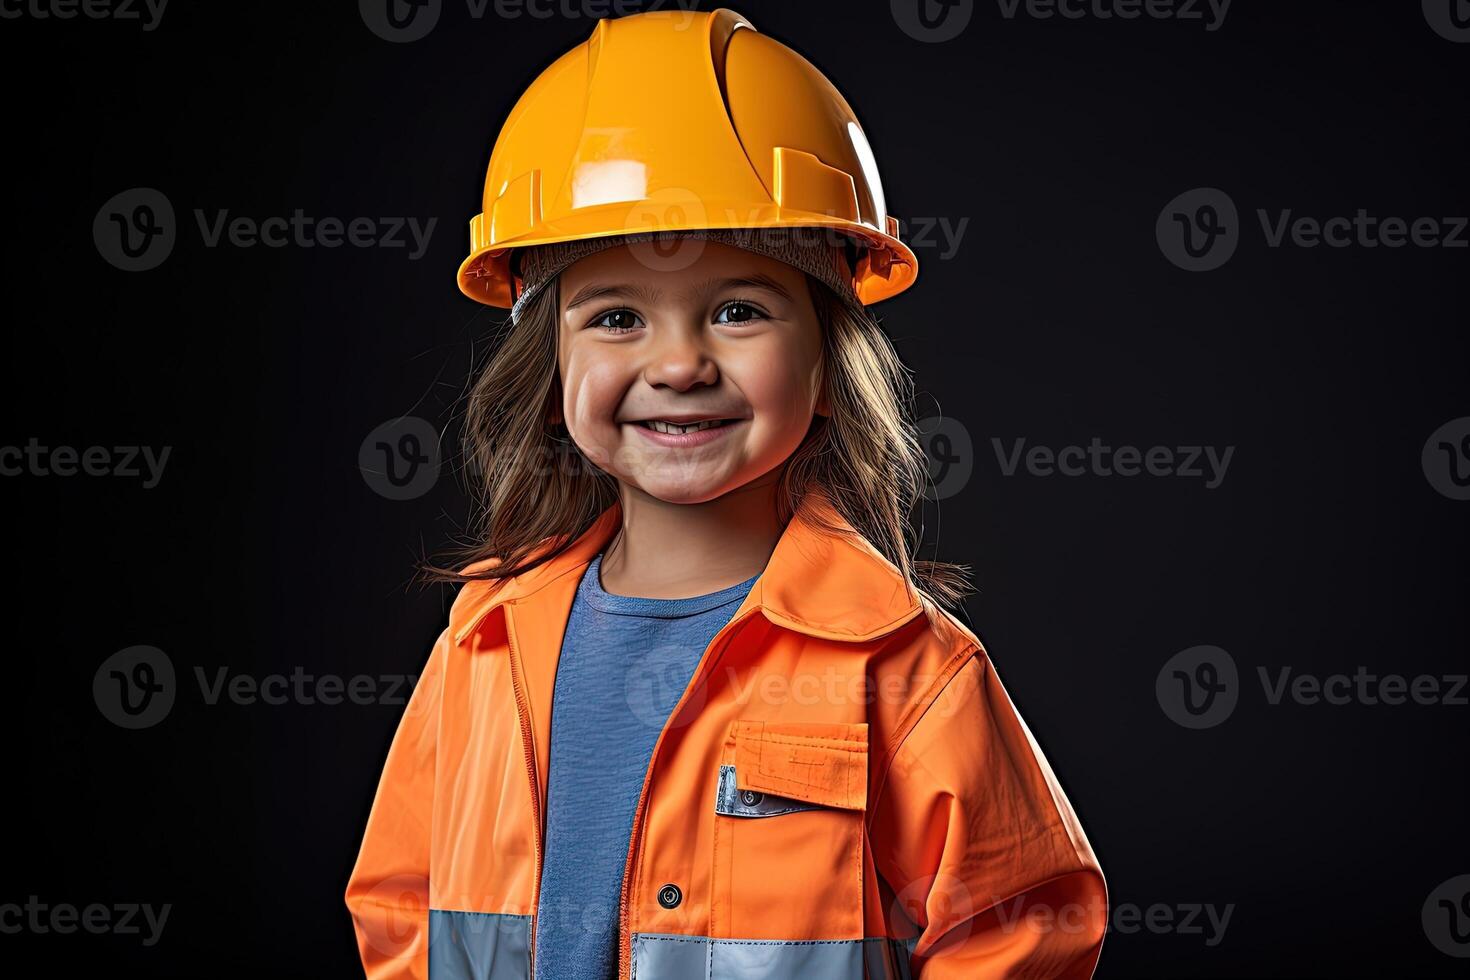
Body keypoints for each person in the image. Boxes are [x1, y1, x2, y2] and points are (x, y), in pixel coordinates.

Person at [345, 8, 1106, 979]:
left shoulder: (907, 667)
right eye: (616, 315)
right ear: (549, 371)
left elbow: (1023, 930)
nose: (678, 363)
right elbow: (399, 907)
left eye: (739, 309)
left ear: (831, 363)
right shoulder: (482, 642)